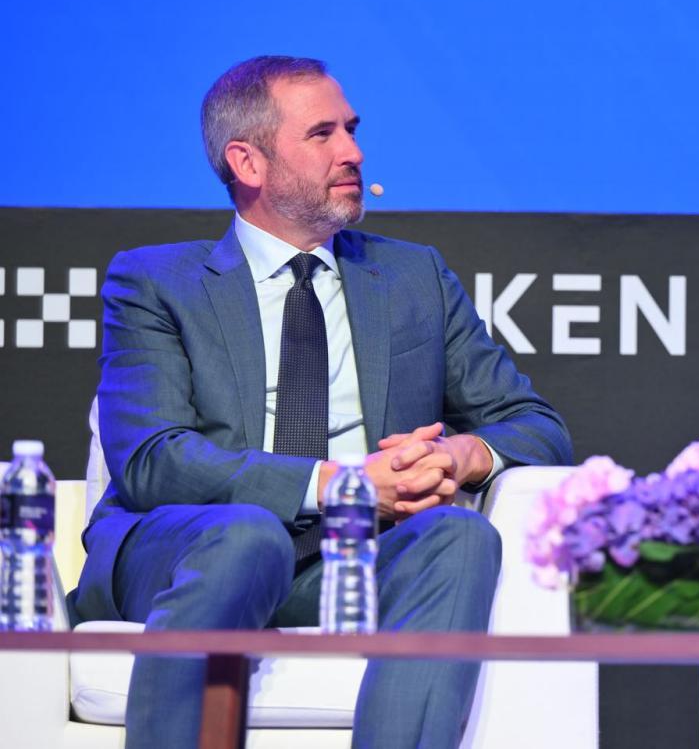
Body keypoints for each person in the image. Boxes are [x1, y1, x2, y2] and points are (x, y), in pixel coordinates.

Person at [68, 55, 574, 748]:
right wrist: (343, 483)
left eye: (352, 130)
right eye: (322, 134)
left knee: (459, 537)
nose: (353, 152)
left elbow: (536, 426)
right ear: (247, 162)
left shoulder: (412, 277)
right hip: (188, 555)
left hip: (345, 561)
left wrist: (460, 456)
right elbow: (153, 460)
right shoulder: (157, 282)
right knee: (246, 536)